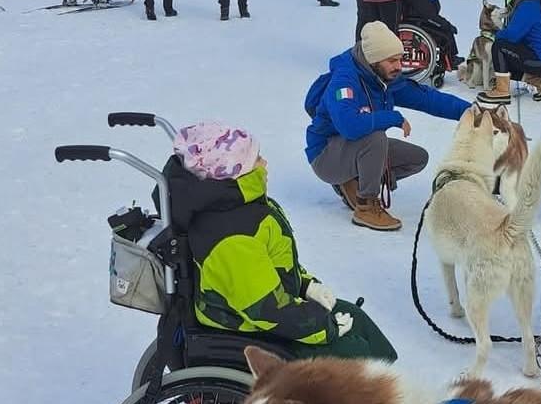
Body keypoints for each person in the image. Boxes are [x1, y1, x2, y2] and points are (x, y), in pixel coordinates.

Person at [161, 123, 398, 361]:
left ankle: (397, 386)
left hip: (273, 313)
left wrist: (306, 286)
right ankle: (386, 393)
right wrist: (325, 328)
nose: (264, 164)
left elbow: (272, 267)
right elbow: (267, 310)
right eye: (256, 159)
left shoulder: (242, 207)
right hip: (252, 330)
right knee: (353, 352)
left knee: (354, 315)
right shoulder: (232, 239)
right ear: (232, 173)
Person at [305, 21, 470, 231]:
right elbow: (350, 127)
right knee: (375, 138)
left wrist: (471, 112)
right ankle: (366, 206)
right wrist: (391, 117)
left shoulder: (383, 77)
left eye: (400, 59)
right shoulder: (344, 82)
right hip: (325, 156)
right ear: (373, 59)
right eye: (392, 60)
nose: (399, 66)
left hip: (352, 149)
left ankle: (352, 181)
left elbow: (427, 99)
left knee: (417, 158)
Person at [403, 0, 462, 71]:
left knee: (446, 30)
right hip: (418, 22)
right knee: (445, 33)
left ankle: (450, 58)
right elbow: (429, 15)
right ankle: (449, 60)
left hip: (421, 20)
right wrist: (446, 24)